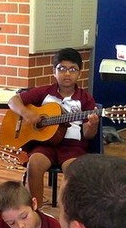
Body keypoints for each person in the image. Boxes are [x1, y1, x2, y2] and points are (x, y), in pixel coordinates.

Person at [7, 47, 99, 208]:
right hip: (45, 144)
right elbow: (12, 101)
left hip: (73, 146)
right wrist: (27, 114)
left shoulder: (85, 99)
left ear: (79, 73)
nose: (67, 73)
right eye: (62, 69)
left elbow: (88, 134)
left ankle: (68, 213)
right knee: (34, 163)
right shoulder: (45, 93)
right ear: (54, 72)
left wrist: (92, 125)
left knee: (73, 171)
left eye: (73, 69)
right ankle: (36, 212)